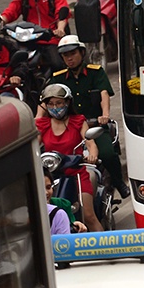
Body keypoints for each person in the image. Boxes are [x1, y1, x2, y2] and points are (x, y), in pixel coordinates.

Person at [48, 34, 124, 197]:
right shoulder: (57, 78)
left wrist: (105, 115)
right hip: (69, 128)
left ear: (82, 53)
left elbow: (104, 94)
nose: (69, 58)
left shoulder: (95, 72)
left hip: (94, 126)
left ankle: (119, 183)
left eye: (73, 53)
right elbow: (47, 99)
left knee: (107, 154)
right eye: (65, 55)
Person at [35, 83, 102, 232]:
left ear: (67, 102)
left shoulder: (78, 121)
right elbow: (33, 148)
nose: (55, 107)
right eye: (51, 103)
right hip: (52, 176)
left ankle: (105, 245)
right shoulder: (43, 124)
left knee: (88, 215)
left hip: (76, 173)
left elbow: (90, 143)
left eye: (59, 103)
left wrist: (92, 156)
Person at [2, 0, 69, 71]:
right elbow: (11, 10)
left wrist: (60, 29)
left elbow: (61, 12)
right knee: (12, 62)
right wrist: (0, 21)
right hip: (28, 38)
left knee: (57, 65)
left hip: (51, 38)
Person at [44, 169, 86, 235]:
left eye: (48, 187)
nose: (46, 192)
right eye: (40, 188)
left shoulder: (62, 205)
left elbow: (71, 223)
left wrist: (74, 225)